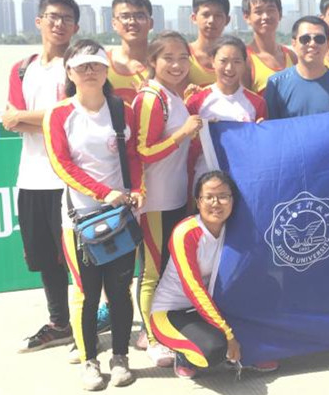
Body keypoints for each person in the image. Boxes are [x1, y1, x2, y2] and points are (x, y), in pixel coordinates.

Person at [44, 40, 144, 390]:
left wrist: (137, 189)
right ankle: (89, 360)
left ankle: (120, 357)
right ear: (70, 72)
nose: (89, 71)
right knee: (86, 293)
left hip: (120, 217)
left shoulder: (122, 109)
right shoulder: (59, 114)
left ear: (106, 70)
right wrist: (103, 192)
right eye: (82, 66)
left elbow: (133, 155)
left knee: (120, 290)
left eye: (96, 65)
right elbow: (62, 164)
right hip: (80, 220)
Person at [3, 0, 78, 354]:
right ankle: (59, 324)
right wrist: (38, 118)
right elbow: (10, 119)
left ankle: (89, 322)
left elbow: (72, 115)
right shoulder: (23, 68)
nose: (58, 24)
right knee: (47, 258)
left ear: (75, 26)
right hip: (31, 177)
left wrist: (26, 118)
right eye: (52, 16)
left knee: (79, 257)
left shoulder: (78, 66)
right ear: (39, 21)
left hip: (69, 178)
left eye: (66, 18)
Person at [131, 31, 203, 364]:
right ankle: (149, 337)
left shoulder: (172, 96)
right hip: (155, 202)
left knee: (165, 270)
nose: (177, 65)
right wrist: (182, 133)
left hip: (174, 198)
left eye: (182, 58)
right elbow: (143, 151)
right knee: (151, 272)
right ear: (153, 61)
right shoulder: (150, 97)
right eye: (168, 58)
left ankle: (160, 329)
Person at [150, 171, 241, 379]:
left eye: (223, 196)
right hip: (172, 312)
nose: (216, 203)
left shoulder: (235, 229)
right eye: (209, 197)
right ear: (198, 202)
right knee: (213, 350)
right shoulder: (186, 232)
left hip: (210, 307)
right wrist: (228, 334)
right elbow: (194, 289)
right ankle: (184, 355)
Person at [186, 36, 268, 188]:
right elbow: (187, 146)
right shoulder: (196, 101)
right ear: (212, 61)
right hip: (204, 183)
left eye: (237, 61)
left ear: (245, 63)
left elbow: (261, 148)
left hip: (243, 181)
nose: (229, 68)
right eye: (223, 61)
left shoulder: (257, 103)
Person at [265, 16, 329, 118]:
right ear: (294, 43)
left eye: (319, 39)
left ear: (327, 44)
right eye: (305, 39)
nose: (312, 44)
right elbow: (270, 125)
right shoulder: (276, 84)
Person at [242, 0, 297, 94]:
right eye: (258, 12)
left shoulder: (291, 56)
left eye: (270, 10)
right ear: (247, 17)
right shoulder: (244, 59)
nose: (265, 16)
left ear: (280, 14)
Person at [108, 0, 152, 104]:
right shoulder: (101, 63)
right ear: (114, 23)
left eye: (140, 16)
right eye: (125, 17)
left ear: (151, 23)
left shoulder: (165, 64)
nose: (132, 22)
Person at [188, 0, 232, 87]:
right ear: (194, 18)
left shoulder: (237, 58)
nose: (211, 20)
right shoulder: (184, 56)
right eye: (206, 15)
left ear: (227, 20)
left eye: (218, 15)